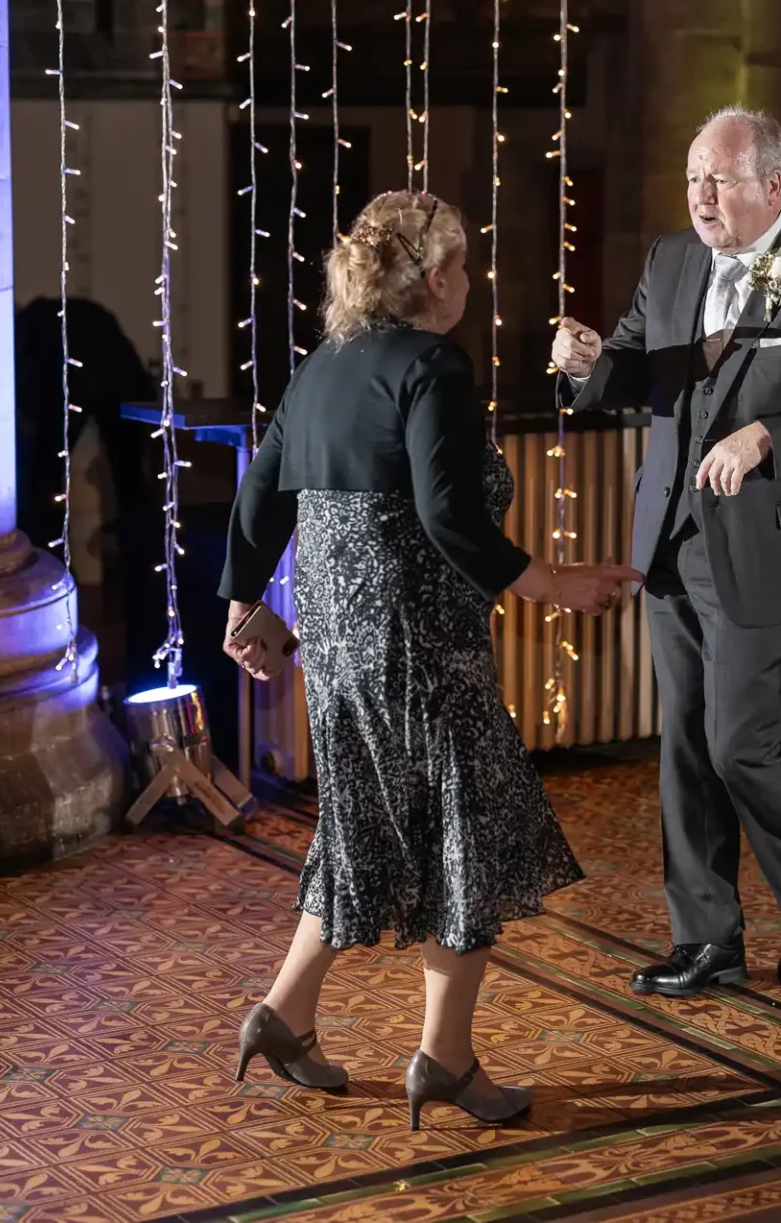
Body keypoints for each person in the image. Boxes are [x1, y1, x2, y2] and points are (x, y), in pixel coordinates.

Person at [218, 191, 641, 1127]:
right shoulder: (434, 366)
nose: (469, 281)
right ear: (434, 277)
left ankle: (285, 1016)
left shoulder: (323, 364)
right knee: (462, 838)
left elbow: (261, 490)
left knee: (366, 827)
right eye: (463, 264)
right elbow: (450, 517)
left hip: (337, 647)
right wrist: (558, 583)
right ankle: (444, 1060)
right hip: (421, 651)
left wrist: (246, 603)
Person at [550, 107, 781, 996]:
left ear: (772, 187)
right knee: (685, 745)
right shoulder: (672, 258)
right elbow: (640, 365)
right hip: (671, 536)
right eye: (694, 176)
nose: (702, 195)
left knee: (741, 736)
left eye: (721, 178)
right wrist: (586, 363)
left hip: (769, 547)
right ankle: (707, 937)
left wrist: (767, 437)